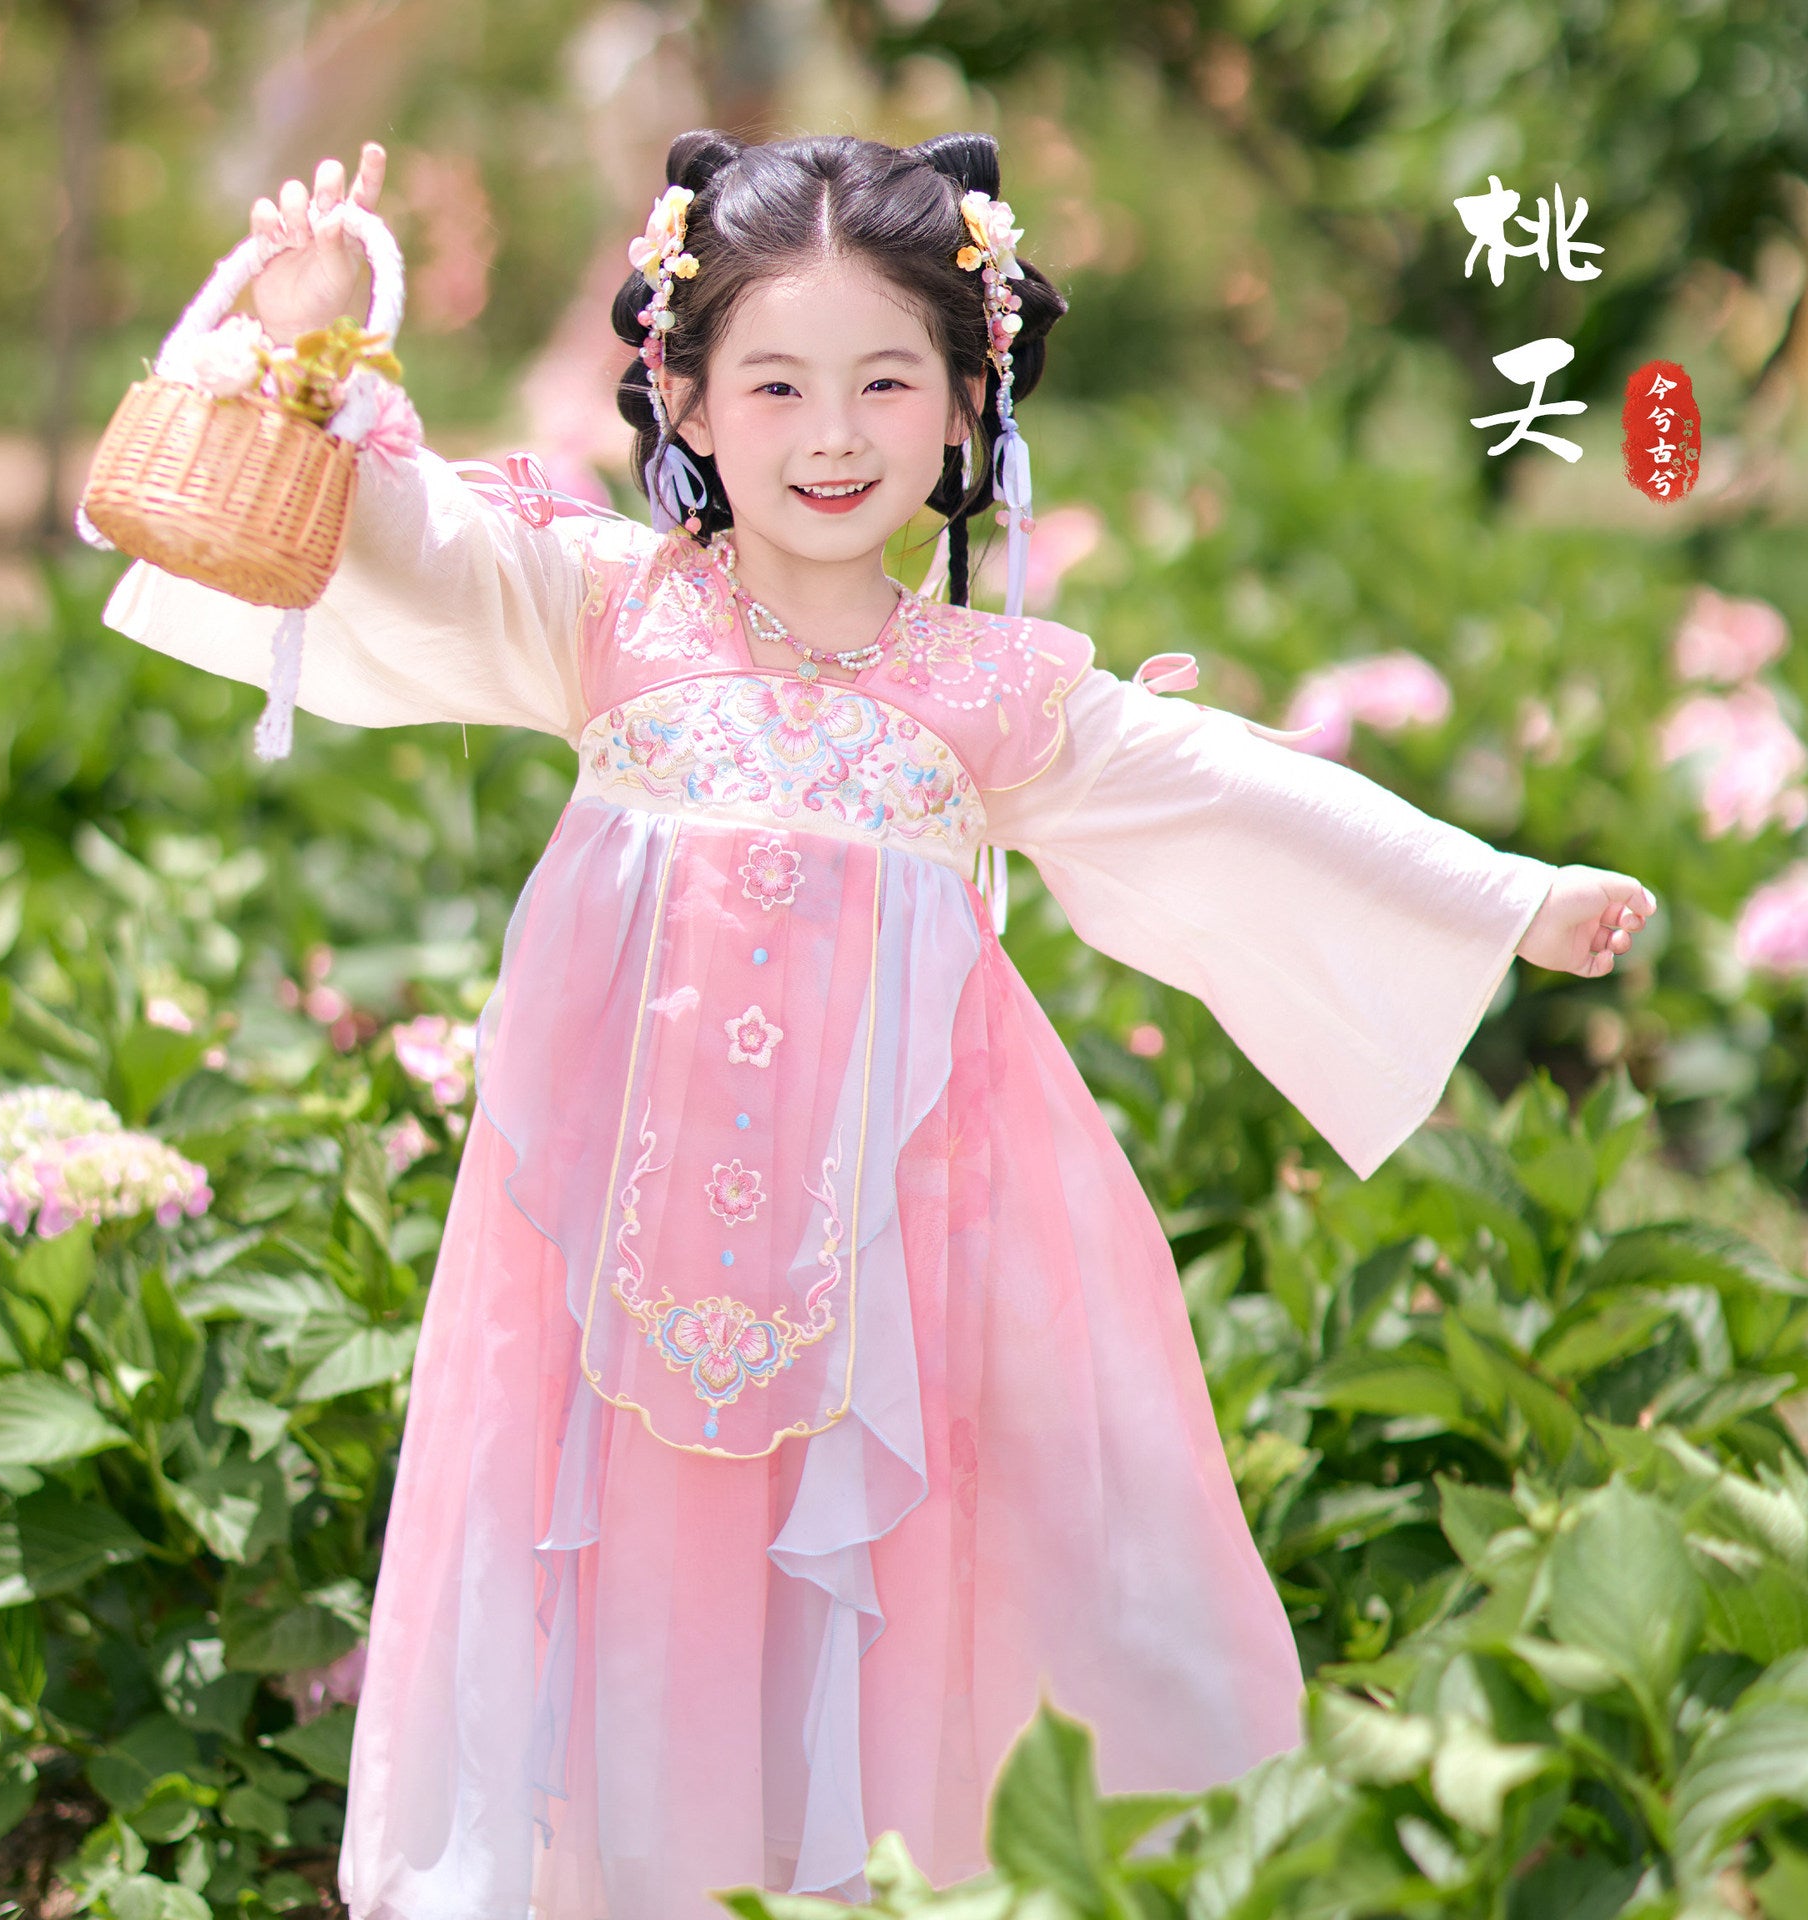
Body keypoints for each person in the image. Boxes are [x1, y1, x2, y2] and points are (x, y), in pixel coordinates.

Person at [102, 130, 1657, 1920]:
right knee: (635, 1565)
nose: (830, 436)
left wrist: (1497, 893)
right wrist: (299, 353)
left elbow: (1227, 793)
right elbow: (396, 538)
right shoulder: (610, 613)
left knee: (897, 1591)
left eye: (883, 382)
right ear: (682, 398)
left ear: (965, 401)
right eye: (773, 381)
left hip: (901, 1250)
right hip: (614, 1257)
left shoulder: (988, 697)